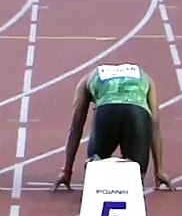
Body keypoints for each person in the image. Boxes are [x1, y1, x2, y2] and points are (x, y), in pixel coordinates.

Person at [53, 63, 174, 191]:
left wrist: (67, 170)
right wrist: (158, 170)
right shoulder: (146, 78)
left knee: (96, 172)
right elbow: (154, 122)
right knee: (135, 180)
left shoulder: (87, 79)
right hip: (136, 114)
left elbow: (76, 126)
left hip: (106, 113)